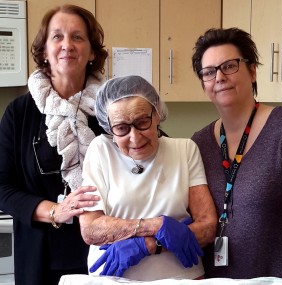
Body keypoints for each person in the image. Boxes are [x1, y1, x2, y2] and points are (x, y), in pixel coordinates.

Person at [0, 4, 108, 285]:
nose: (67, 45)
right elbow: (2, 186)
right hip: (40, 259)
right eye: (57, 37)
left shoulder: (113, 108)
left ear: (92, 52)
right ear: (44, 51)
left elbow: (151, 150)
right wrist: (54, 211)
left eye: (77, 37)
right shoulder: (19, 113)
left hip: (108, 251)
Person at [78, 75, 217, 281]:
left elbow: (207, 227)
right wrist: (157, 226)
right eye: (122, 128)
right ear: (109, 128)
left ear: (157, 114)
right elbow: (91, 229)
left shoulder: (185, 149)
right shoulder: (100, 151)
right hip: (114, 277)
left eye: (142, 122)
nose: (135, 137)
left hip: (180, 277)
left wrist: (150, 245)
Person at [191, 27, 282, 279]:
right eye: (209, 72)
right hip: (215, 279)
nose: (219, 77)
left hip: (276, 279)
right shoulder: (198, 143)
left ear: (252, 71)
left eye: (229, 66)